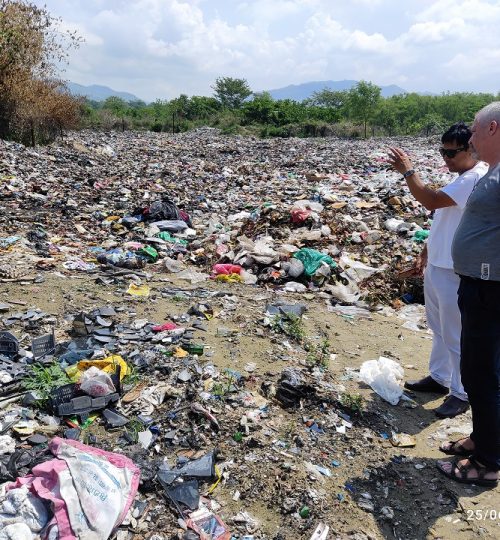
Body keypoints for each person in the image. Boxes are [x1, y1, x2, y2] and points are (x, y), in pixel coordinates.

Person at [387, 123, 488, 418]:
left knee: (456, 333)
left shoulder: (475, 177)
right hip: (438, 263)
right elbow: (443, 218)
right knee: (438, 327)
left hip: (456, 269)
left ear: (471, 149)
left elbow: (430, 200)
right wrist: (425, 253)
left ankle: (462, 391)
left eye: (452, 152)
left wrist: (408, 171)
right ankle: (440, 377)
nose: (446, 158)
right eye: (442, 152)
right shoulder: (461, 177)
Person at [437, 102, 500, 487]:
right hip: (479, 284)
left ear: (493, 129)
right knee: (481, 371)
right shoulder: (493, 172)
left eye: (475, 131)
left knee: (482, 372)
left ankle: (488, 462)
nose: (471, 137)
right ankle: (483, 438)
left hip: (489, 288)